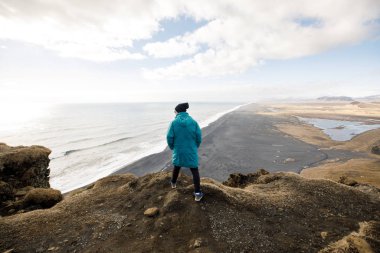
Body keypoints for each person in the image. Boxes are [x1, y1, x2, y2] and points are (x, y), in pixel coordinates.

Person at [166, 102, 203, 201]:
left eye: (175, 111)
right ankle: (198, 193)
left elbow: (169, 137)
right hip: (191, 149)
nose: (174, 112)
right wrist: (195, 146)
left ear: (177, 111)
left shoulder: (173, 123)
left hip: (178, 149)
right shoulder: (193, 122)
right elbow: (199, 137)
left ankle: (173, 183)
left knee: (177, 166)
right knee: (194, 170)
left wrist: (173, 147)